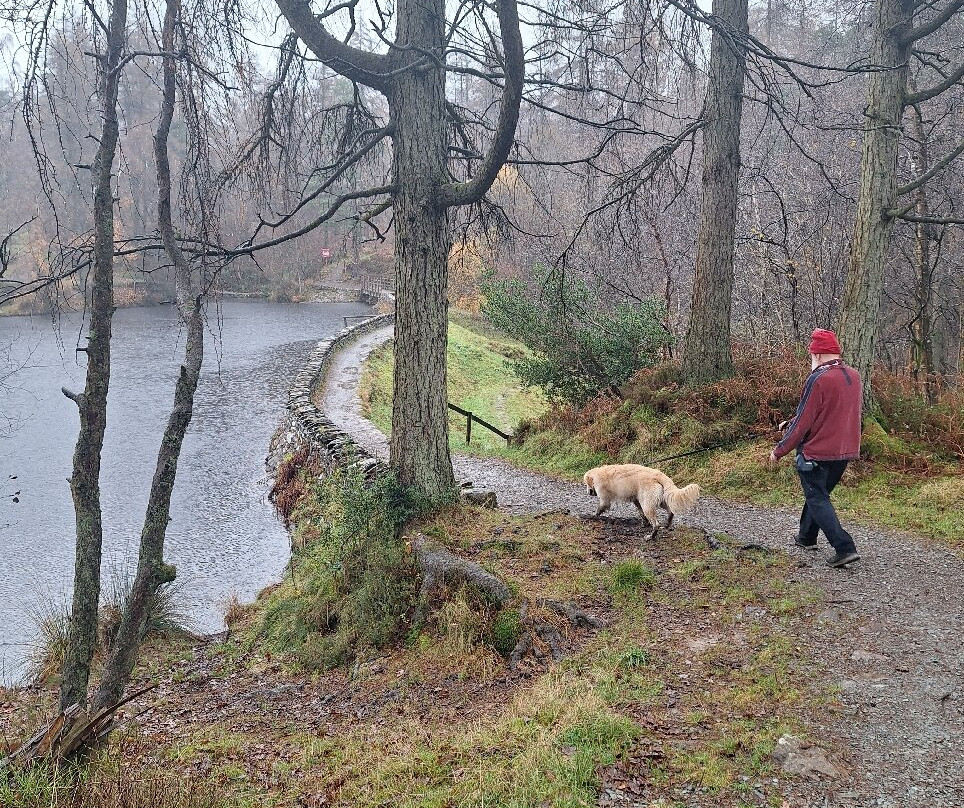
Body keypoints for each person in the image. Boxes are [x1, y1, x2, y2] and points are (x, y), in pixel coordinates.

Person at [768, 328, 862, 568]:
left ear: (818, 355)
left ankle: (844, 547)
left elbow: (803, 423)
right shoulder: (853, 375)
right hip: (844, 451)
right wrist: (790, 423)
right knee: (818, 495)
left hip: (817, 452)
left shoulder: (818, 378)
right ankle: (806, 537)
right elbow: (827, 414)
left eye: (811, 355)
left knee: (817, 497)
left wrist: (780, 449)